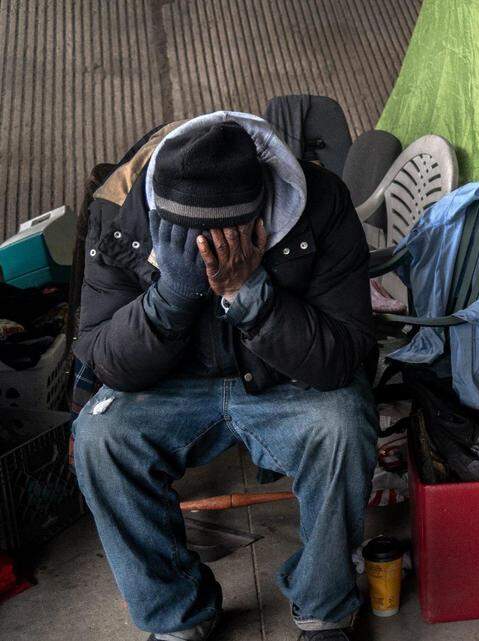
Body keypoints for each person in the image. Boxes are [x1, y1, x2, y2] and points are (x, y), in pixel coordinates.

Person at [71, 112, 377, 641]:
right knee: (101, 437)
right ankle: (176, 617)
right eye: (191, 235)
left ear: (261, 207)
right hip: (171, 387)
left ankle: (325, 608)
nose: (209, 246)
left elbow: (342, 357)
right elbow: (103, 360)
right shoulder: (118, 210)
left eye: (227, 233)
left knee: (343, 423)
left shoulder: (319, 200)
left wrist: (249, 293)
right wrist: (172, 296)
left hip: (285, 382)